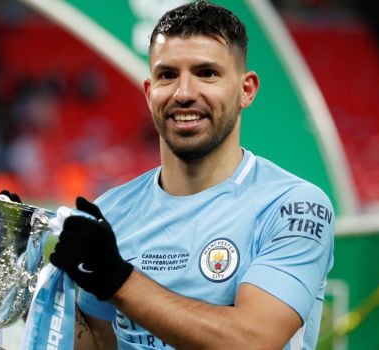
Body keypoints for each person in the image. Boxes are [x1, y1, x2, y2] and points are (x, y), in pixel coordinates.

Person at [48, 1, 335, 349]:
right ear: (149, 91)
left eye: (206, 73)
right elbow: (99, 342)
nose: (184, 93)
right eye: (167, 75)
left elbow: (254, 340)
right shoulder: (111, 211)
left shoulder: (294, 206)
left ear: (246, 90)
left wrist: (120, 281)